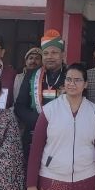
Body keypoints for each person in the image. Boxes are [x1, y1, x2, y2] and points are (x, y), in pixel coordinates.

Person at [25, 63, 95, 190]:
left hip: (86, 181)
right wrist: (31, 185)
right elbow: (35, 151)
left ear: (85, 84)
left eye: (77, 80)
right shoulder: (49, 110)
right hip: (51, 180)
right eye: (69, 79)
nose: (72, 84)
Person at [14, 29, 67, 157]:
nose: (50, 57)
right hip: (34, 131)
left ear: (62, 54)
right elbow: (19, 106)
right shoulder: (32, 75)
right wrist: (39, 121)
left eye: (54, 52)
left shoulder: (70, 76)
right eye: (46, 53)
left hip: (63, 135)